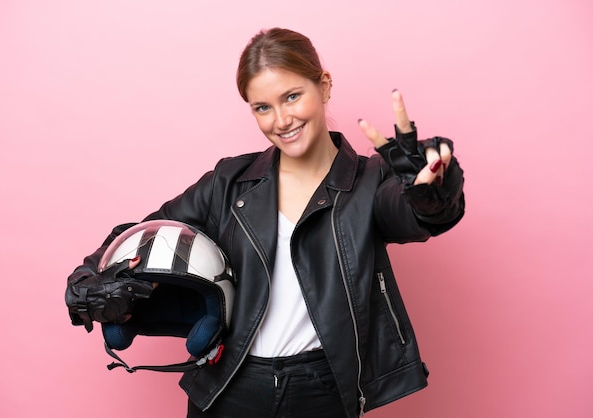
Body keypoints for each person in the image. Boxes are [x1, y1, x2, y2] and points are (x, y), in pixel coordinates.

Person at [66, 27, 465, 418]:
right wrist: (88, 278)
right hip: (229, 381)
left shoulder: (370, 181)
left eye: (292, 96)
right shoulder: (229, 181)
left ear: (324, 86)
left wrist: (428, 194)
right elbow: (147, 232)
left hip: (322, 389)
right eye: (262, 107)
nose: (281, 120)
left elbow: (411, 216)